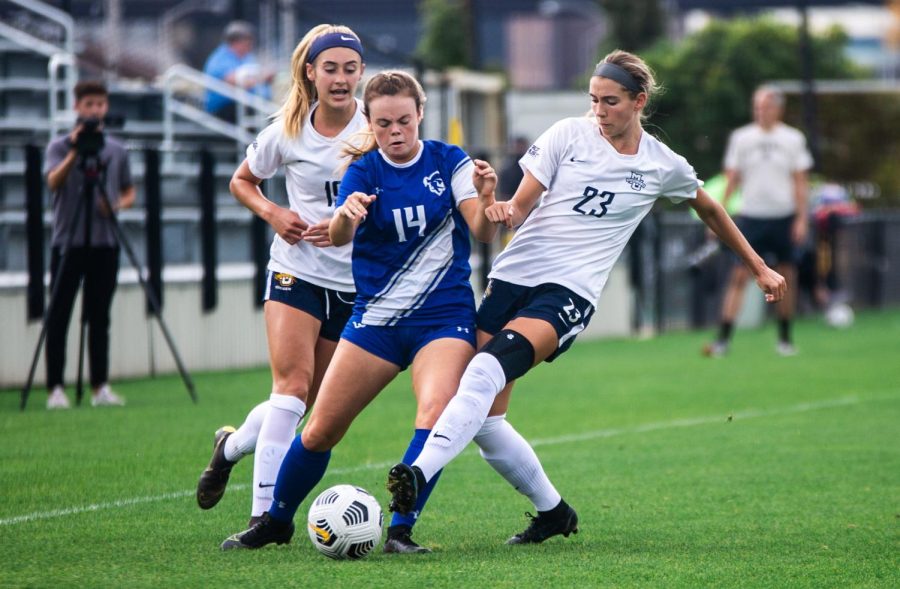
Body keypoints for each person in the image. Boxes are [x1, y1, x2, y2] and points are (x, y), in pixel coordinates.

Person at [385, 50, 787, 547]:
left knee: (482, 372)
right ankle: (554, 513)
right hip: (512, 280)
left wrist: (760, 267)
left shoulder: (661, 165)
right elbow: (519, 207)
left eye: (610, 101)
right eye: (593, 99)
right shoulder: (566, 135)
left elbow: (710, 208)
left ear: (639, 102)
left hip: (568, 292)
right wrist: (495, 202)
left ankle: (417, 474)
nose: (598, 110)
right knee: (487, 423)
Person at [217, 70, 504, 552]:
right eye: (385, 123)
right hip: (375, 321)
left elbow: (481, 231)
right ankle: (275, 521)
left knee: (434, 414)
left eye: (405, 121)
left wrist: (488, 196)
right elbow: (339, 237)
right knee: (321, 428)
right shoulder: (365, 170)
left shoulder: (447, 160)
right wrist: (346, 217)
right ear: (369, 122)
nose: (396, 132)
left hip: (443, 318)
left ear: (420, 116)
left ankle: (400, 529)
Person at [195, 25, 367, 534]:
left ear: (361, 73)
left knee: (303, 405)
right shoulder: (287, 130)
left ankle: (229, 448)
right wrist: (274, 213)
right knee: (290, 387)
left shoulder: (374, 128)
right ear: (310, 72)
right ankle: (264, 517)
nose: (340, 79)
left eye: (349, 69)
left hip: (354, 285)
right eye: (330, 68)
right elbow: (241, 181)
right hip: (296, 271)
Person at [43, 80, 135, 410]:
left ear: (106, 106)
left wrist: (116, 205)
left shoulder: (116, 149)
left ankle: (100, 386)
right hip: (68, 242)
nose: (95, 110)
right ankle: (55, 387)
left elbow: (129, 191)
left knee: (99, 317)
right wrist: (74, 152)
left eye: (100, 104)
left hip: (105, 242)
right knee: (59, 314)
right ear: (77, 107)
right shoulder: (59, 145)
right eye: (89, 105)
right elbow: (52, 181)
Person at [704, 86, 812, 358]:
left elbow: (800, 181)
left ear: (778, 108)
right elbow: (731, 179)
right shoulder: (742, 138)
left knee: (786, 277)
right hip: (751, 217)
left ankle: (785, 339)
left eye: (765, 106)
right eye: (757, 106)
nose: (760, 111)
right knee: (739, 276)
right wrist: (718, 216)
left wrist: (801, 219)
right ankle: (723, 339)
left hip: (783, 217)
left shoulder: (792, 138)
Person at [203, 21, 273, 123]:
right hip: (225, 108)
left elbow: (258, 74)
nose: (250, 44)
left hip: (248, 104)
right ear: (236, 42)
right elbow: (233, 80)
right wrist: (261, 77)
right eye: (247, 41)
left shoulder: (247, 57)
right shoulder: (219, 58)